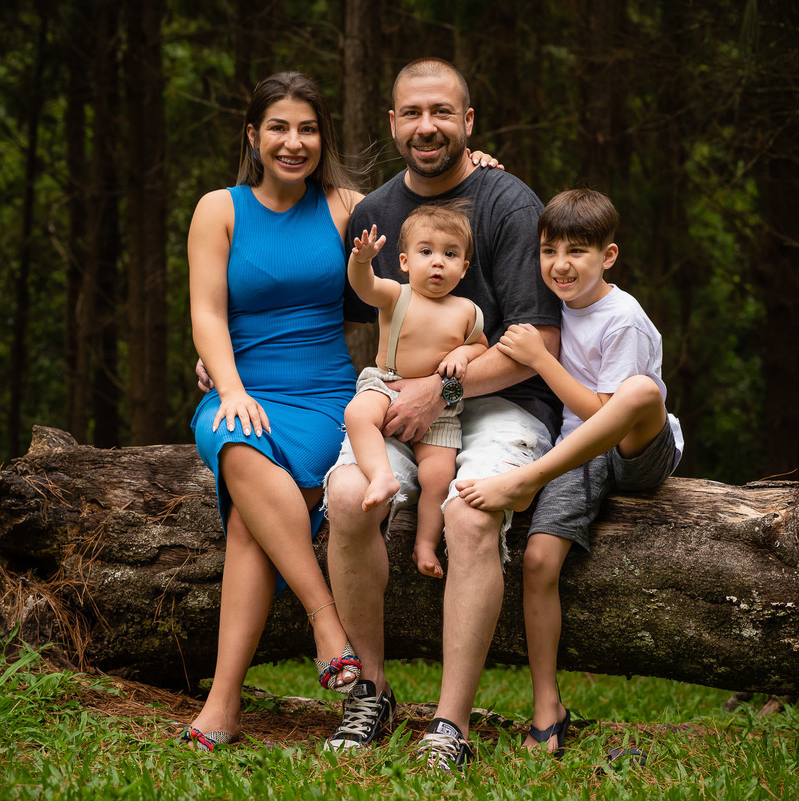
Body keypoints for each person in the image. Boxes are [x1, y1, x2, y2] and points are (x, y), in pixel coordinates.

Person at [322, 57, 563, 771]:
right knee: (344, 496)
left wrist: (443, 392)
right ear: (393, 123)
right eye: (412, 114)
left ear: (468, 122)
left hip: (505, 401)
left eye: (442, 112)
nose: (427, 127)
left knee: (468, 510)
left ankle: (449, 725)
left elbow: (537, 344)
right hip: (397, 396)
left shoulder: (509, 203)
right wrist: (225, 359)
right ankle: (371, 690)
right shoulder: (372, 215)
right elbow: (340, 306)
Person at [456, 188, 684, 757]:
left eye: (576, 251)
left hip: (636, 449)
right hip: (574, 450)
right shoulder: (553, 305)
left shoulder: (622, 317)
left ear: (608, 256)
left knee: (637, 390)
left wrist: (540, 361)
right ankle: (546, 706)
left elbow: (606, 414)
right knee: (537, 561)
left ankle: (527, 480)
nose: (559, 264)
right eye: (547, 250)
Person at [180, 71, 366, 753]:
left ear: (324, 137)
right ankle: (326, 624)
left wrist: (477, 162)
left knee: (250, 528)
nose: (295, 142)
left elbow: (433, 226)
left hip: (325, 397)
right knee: (234, 442)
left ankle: (223, 704)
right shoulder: (219, 208)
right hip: (243, 387)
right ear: (253, 137)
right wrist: (229, 386)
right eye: (279, 128)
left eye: (308, 128)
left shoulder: (348, 206)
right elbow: (206, 311)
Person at [344, 204, 488, 579]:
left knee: (439, 476)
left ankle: (425, 543)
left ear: (464, 268)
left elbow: (480, 347)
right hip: (387, 383)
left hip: (439, 408)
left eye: (450, 254)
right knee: (357, 414)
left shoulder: (467, 310)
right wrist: (362, 262)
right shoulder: (397, 295)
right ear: (405, 261)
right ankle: (381, 475)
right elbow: (365, 286)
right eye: (427, 252)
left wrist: (462, 351)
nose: (438, 263)